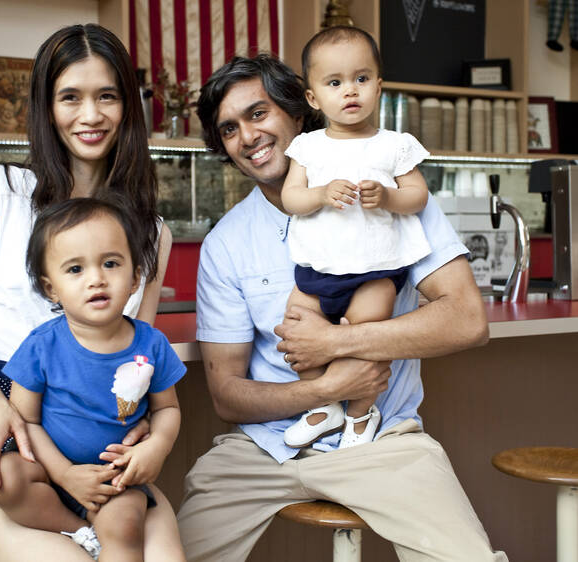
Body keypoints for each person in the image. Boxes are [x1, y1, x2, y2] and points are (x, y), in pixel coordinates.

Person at [176, 53, 507, 561]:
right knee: (168, 552)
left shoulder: (393, 195)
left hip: (382, 440)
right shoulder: (225, 243)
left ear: (298, 113)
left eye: (258, 114)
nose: (247, 137)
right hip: (265, 448)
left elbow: (466, 320)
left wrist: (337, 343)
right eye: (229, 129)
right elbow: (227, 396)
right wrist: (329, 387)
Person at [0, 24, 173, 561]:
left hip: (99, 441)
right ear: (45, 106)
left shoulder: (151, 232)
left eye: (106, 96)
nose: (90, 115)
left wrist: (149, 434)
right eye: (71, 97)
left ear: (127, 107)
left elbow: (140, 359)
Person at [0, 198, 186, 561]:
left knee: (125, 527)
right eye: (76, 269)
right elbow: (26, 421)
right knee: (3, 479)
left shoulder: (151, 343)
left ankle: (106, 536)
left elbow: (167, 408)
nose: (96, 278)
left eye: (111, 263)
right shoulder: (40, 346)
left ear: (135, 277)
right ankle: (79, 530)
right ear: (51, 289)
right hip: (48, 471)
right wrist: (63, 474)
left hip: (113, 476)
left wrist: (156, 446)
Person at [280, 27, 432, 449]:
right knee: (295, 328)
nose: (350, 91)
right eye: (334, 82)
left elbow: (418, 197)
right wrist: (321, 195)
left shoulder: (394, 145)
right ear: (313, 98)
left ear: (379, 87)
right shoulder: (307, 147)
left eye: (361, 79)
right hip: (317, 270)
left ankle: (362, 414)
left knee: (369, 339)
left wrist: (387, 196)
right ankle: (324, 405)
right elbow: (292, 198)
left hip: (376, 272)